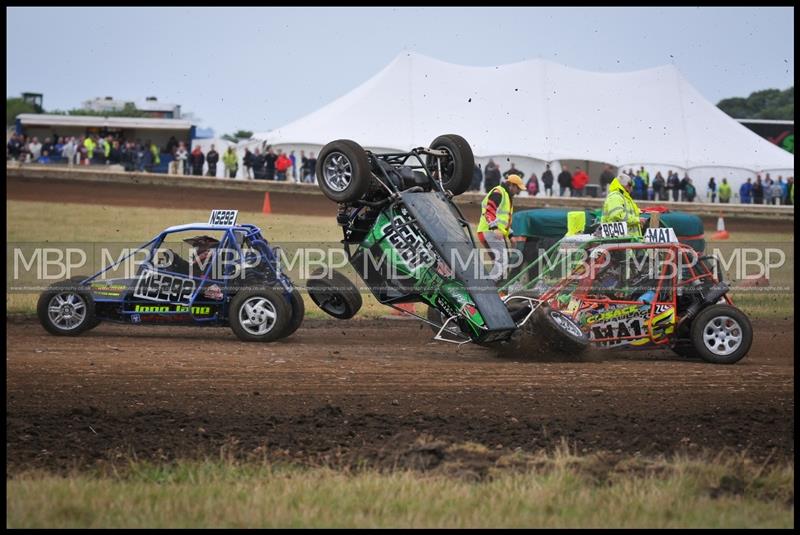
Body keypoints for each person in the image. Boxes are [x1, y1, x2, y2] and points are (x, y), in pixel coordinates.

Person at [476, 174, 524, 284]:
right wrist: (494, 227)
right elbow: (489, 210)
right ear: (511, 185)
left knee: (500, 262)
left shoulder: (506, 196)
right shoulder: (499, 192)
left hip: (492, 232)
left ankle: (493, 288)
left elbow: (504, 220)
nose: (518, 192)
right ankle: (487, 287)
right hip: (490, 231)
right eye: (518, 188)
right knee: (502, 261)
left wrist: (510, 235)